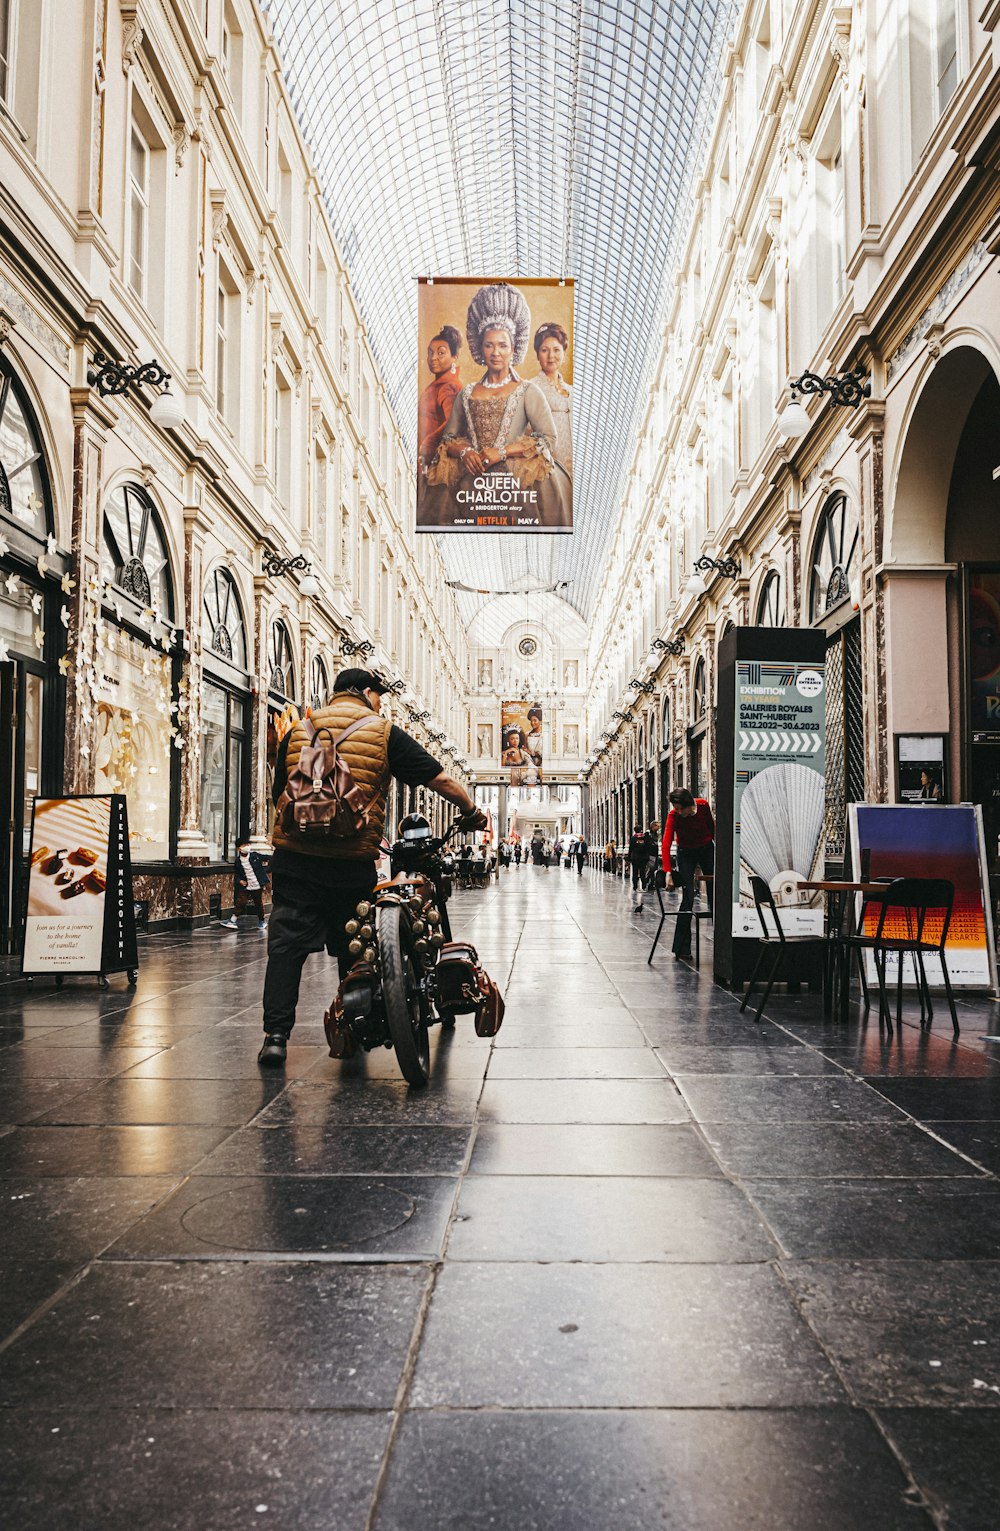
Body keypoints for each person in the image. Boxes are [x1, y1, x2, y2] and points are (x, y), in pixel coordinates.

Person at [257, 667, 487, 1066]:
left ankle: (276, 1037)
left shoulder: (301, 727)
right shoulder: (381, 731)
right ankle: (355, 1023)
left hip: (294, 861)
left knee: (285, 949)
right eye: (378, 694)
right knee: (355, 946)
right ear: (364, 693)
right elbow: (439, 779)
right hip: (350, 862)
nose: (381, 701)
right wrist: (471, 810)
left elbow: (278, 793)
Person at [422, 282, 571, 530]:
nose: (496, 352)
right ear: (480, 348)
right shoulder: (466, 392)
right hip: (472, 484)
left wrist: (501, 452)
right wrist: (465, 452)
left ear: (514, 349)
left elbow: (547, 438)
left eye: (503, 345)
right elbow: (449, 437)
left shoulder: (527, 390)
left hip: (518, 483)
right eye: (489, 345)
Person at [661, 788, 715, 961]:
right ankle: (682, 948)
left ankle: (721, 943)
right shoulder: (673, 816)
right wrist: (668, 871)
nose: (677, 811)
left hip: (706, 849)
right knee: (688, 897)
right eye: (675, 808)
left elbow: (713, 830)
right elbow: (666, 844)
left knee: (716, 893)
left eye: (679, 808)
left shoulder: (703, 806)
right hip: (685, 852)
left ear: (689, 805)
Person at [418, 326, 463, 471]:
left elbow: (454, 422)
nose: (433, 358)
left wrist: (429, 443)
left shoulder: (449, 386)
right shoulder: (438, 384)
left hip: (437, 463)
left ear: (455, 356)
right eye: (430, 353)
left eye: (441, 353)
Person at [531, 322, 573, 476]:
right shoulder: (530, 388)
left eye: (556, 350)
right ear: (537, 354)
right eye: (544, 350)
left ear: (564, 352)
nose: (551, 356)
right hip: (549, 472)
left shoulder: (573, 391)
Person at [220, 839, 270, 933]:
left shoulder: (255, 856)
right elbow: (237, 874)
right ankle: (232, 921)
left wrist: (267, 869)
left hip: (257, 884)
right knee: (241, 902)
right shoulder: (238, 861)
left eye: (247, 844)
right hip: (246, 885)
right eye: (244, 845)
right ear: (239, 849)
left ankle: (262, 921)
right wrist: (240, 881)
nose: (247, 846)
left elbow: (268, 858)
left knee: (258, 903)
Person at [628, 826, 648, 909]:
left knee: (635, 872)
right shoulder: (645, 838)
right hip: (643, 858)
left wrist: (629, 856)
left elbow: (631, 848)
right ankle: (643, 887)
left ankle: (635, 887)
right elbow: (648, 847)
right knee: (642, 872)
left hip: (635, 858)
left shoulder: (633, 838)